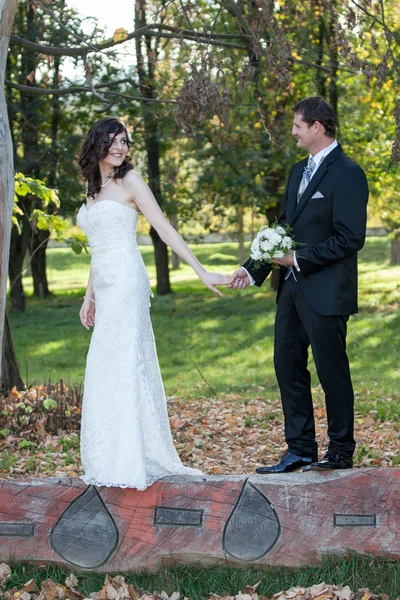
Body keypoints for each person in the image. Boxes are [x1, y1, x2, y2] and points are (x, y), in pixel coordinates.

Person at [77, 116, 230, 489]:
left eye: (124, 141)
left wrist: (200, 270)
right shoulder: (92, 187)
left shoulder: (131, 180)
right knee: (105, 365)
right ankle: (109, 456)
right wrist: (88, 296)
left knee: (126, 363)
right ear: (96, 143)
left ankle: (132, 459)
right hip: (105, 284)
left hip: (128, 284)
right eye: (113, 141)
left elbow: (163, 227)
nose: (119, 148)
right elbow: (98, 248)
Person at [229, 96, 368, 473]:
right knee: (287, 365)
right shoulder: (297, 172)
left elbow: (350, 237)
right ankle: (301, 449)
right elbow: (283, 230)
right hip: (290, 290)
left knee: (331, 371)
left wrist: (298, 260)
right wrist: (251, 269)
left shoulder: (348, 172)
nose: (292, 132)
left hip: (327, 292)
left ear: (317, 127)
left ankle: (340, 450)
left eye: (297, 125)